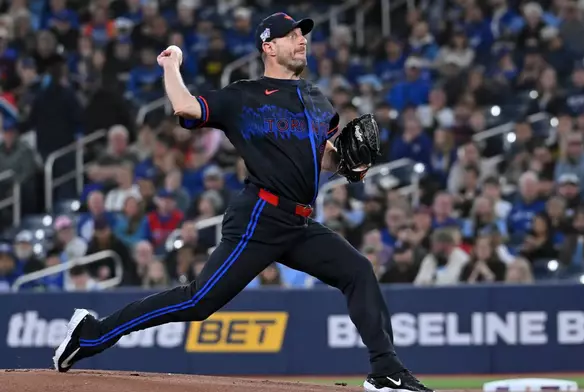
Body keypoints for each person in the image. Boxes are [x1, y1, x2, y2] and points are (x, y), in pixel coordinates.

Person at [53, 12, 433, 392]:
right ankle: (92, 334)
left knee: (358, 271)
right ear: (268, 47)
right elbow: (186, 107)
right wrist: (171, 65)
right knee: (198, 301)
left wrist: (349, 164)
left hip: (298, 222)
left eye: (302, 34)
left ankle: (386, 371)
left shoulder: (317, 100)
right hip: (259, 217)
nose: (301, 40)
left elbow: (321, 157)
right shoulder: (244, 96)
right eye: (291, 36)